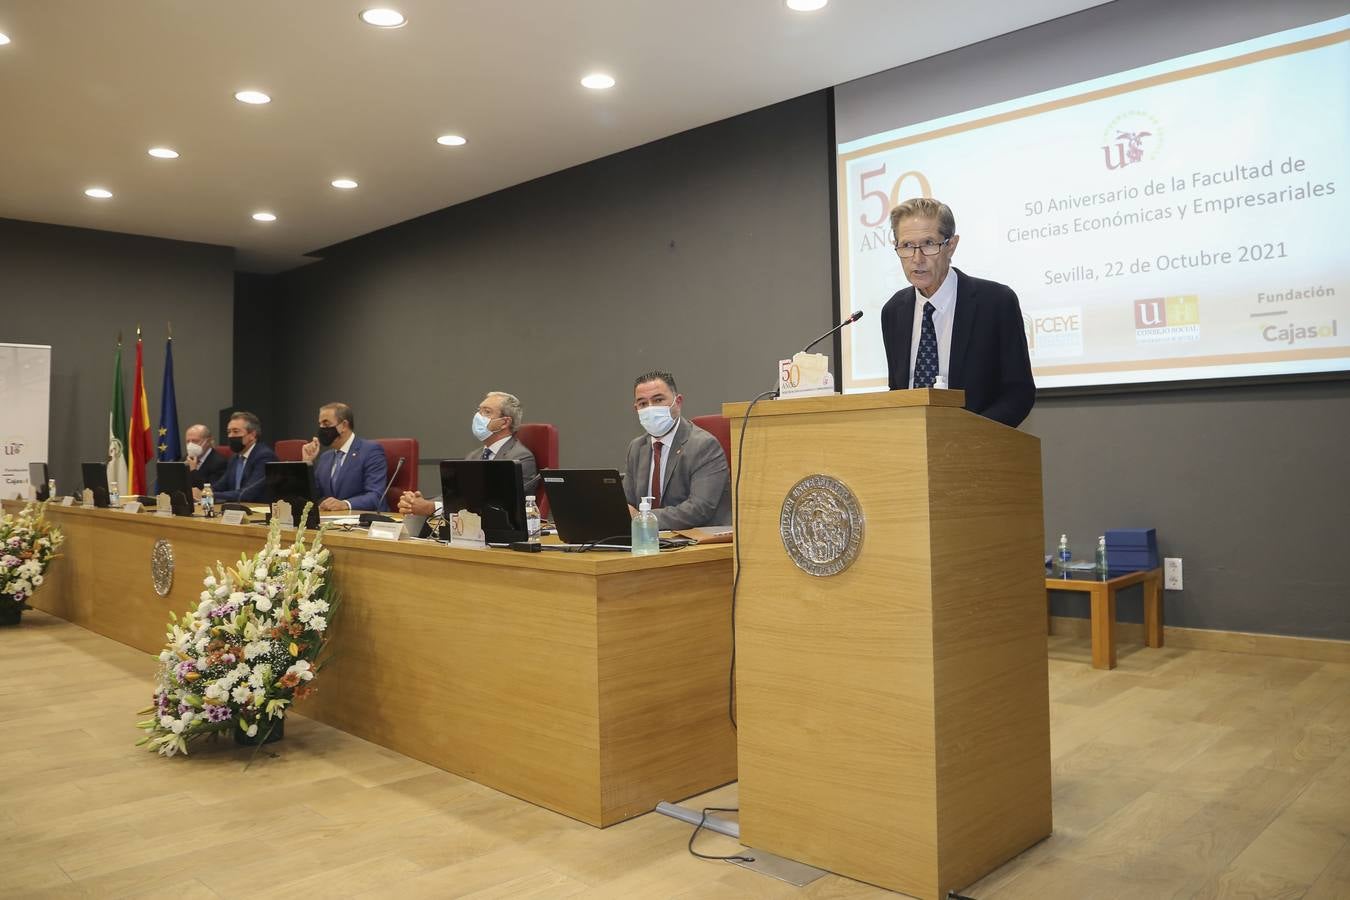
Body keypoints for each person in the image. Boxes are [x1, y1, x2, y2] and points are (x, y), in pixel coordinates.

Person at [879, 197, 1035, 428]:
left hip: (977, 449)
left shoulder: (996, 302)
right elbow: (899, 389)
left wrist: (967, 436)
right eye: (907, 246)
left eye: (929, 244)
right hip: (911, 451)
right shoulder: (893, 311)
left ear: (951, 245)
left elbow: (1018, 392)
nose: (917, 258)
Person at [398, 391, 537, 516]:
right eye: (479, 410)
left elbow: (493, 502)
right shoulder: (473, 456)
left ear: (504, 422)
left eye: (486, 412)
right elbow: (455, 496)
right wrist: (416, 503)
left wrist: (432, 508)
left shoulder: (519, 457)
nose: (478, 416)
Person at [623, 370, 730, 529]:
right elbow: (627, 504)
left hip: (696, 542)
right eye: (643, 404)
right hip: (650, 541)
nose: (650, 409)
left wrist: (643, 518)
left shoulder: (704, 445)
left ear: (678, 402)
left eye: (658, 400)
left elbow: (699, 509)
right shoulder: (637, 447)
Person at [301, 402, 389, 512]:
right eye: (320, 424)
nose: (321, 429)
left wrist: (345, 504)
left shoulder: (371, 451)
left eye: (326, 424)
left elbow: (376, 496)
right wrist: (306, 463)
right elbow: (314, 495)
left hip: (363, 522)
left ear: (344, 425)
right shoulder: (325, 457)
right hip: (331, 522)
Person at [205, 411, 277, 503]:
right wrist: (205, 491)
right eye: (229, 432)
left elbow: (247, 493)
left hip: (257, 511)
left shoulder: (264, 457)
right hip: (236, 509)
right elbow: (221, 485)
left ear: (252, 434)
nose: (230, 436)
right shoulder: (235, 458)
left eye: (235, 431)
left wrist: (210, 495)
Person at [183, 423, 227, 490]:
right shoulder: (185, 459)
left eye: (195, 441)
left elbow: (210, 491)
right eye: (188, 441)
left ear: (208, 441)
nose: (190, 445)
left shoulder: (219, 463)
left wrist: (193, 470)